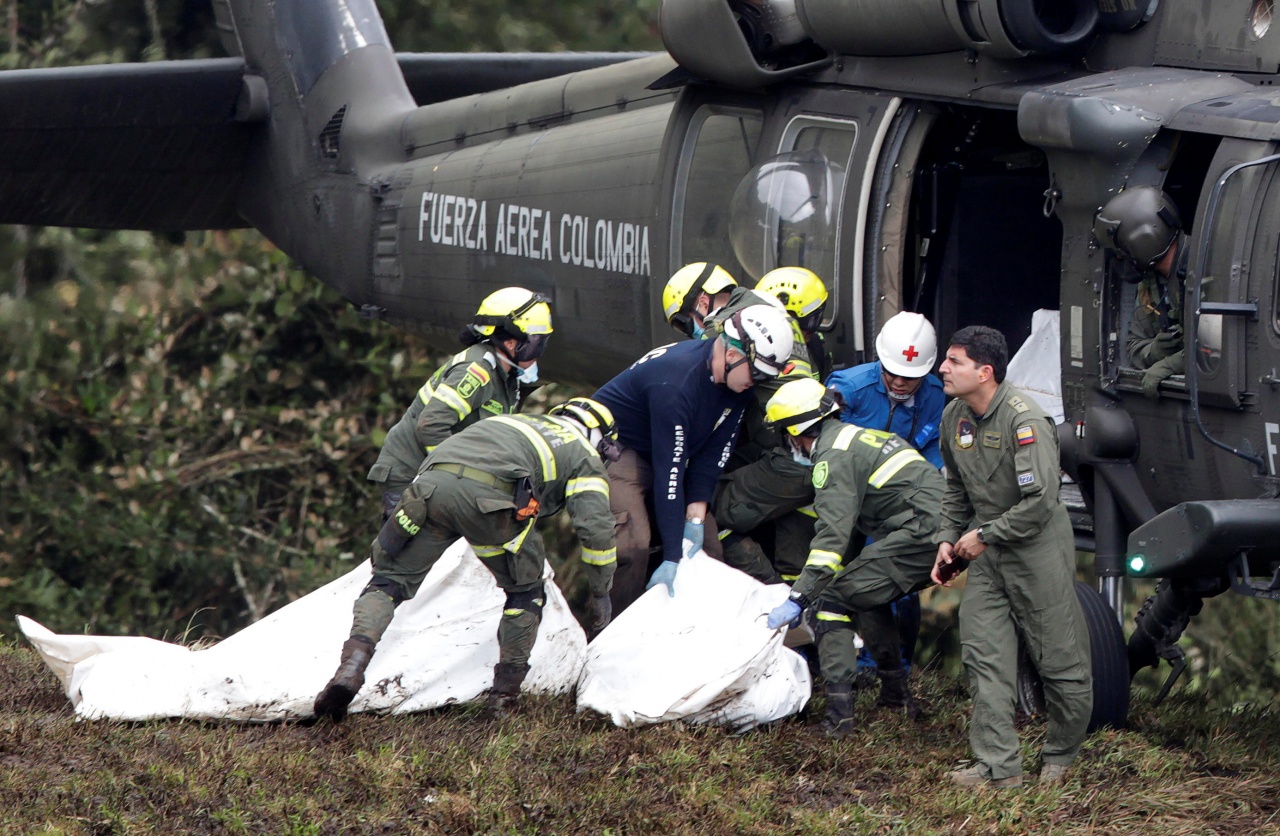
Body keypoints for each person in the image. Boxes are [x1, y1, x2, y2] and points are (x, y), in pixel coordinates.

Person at [314, 398, 620, 722]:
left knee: (387, 582)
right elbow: (596, 532)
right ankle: (504, 699)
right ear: (597, 433)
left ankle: (351, 668)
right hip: (490, 503)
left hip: (428, 489)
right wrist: (601, 593)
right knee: (525, 593)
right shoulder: (583, 454)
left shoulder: (515, 422)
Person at [931, 325, 1092, 788]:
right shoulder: (954, 417)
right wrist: (948, 537)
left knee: (1060, 661)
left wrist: (985, 534)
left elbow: (1039, 504)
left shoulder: (1026, 422)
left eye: (955, 361)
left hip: (1035, 549)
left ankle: (1061, 757)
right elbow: (956, 486)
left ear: (985, 372)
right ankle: (998, 769)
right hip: (987, 552)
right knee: (984, 656)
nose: (943, 368)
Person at [763, 378, 944, 736]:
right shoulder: (857, 438)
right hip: (937, 532)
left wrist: (801, 595)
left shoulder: (832, 458)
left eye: (786, 433)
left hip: (923, 535)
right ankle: (895, 695)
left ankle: (838, 719)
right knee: (865, 593)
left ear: (797, 431)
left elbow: (832, 537)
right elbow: (856, 531)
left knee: (830, 603)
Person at [593, 304, 794, 614]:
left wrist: (697, 519)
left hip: (670, 451)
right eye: (754, 374)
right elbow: (668, 473)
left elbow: (714, 453)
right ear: (730, 354)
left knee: (709, 547)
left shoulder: (737, 382)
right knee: (633, 545)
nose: (755, 383)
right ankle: (608, 630)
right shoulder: (676, 384)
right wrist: (673, 554)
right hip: (621, 449)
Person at [824, 311, 945, 678]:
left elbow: (932, 450)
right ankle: (836, 659)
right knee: (837, 575)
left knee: (897, 584)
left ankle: (893, 665)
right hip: (847, 497)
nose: (899, 382)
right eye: (892, 373)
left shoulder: (935, 396)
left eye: (910, 378)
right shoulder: (848, 388)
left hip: (893, 504)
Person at [366, 287, 553, 518]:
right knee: (407, 549)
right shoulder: (476, 372)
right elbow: (431, 425)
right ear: (512, 342)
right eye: (536, 343)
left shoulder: (508, 380)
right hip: (409, 472)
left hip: (433, 477)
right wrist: (460, 476)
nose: (539, 352)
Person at [712, 267, 831, 584]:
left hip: (787, 455)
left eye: (809, 323)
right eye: (802, 323)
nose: (803, 334)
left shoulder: (791, 349)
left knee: (713, 505)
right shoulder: (804, 350)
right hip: (786, 453)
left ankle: (775, 587)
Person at [1093, 186, 1187, 398]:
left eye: (1121, 252)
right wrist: (1155, 351)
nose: (1120, 259)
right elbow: (1134, 347)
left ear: (1143, 241)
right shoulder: (1151, 285)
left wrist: (1172, 364)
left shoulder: (1204, 271)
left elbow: (1217, 351)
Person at [662, 262, 741, 340]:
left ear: (704, 304)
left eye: (685, 326)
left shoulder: (727, 345)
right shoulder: (744, 326)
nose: (691, 334)